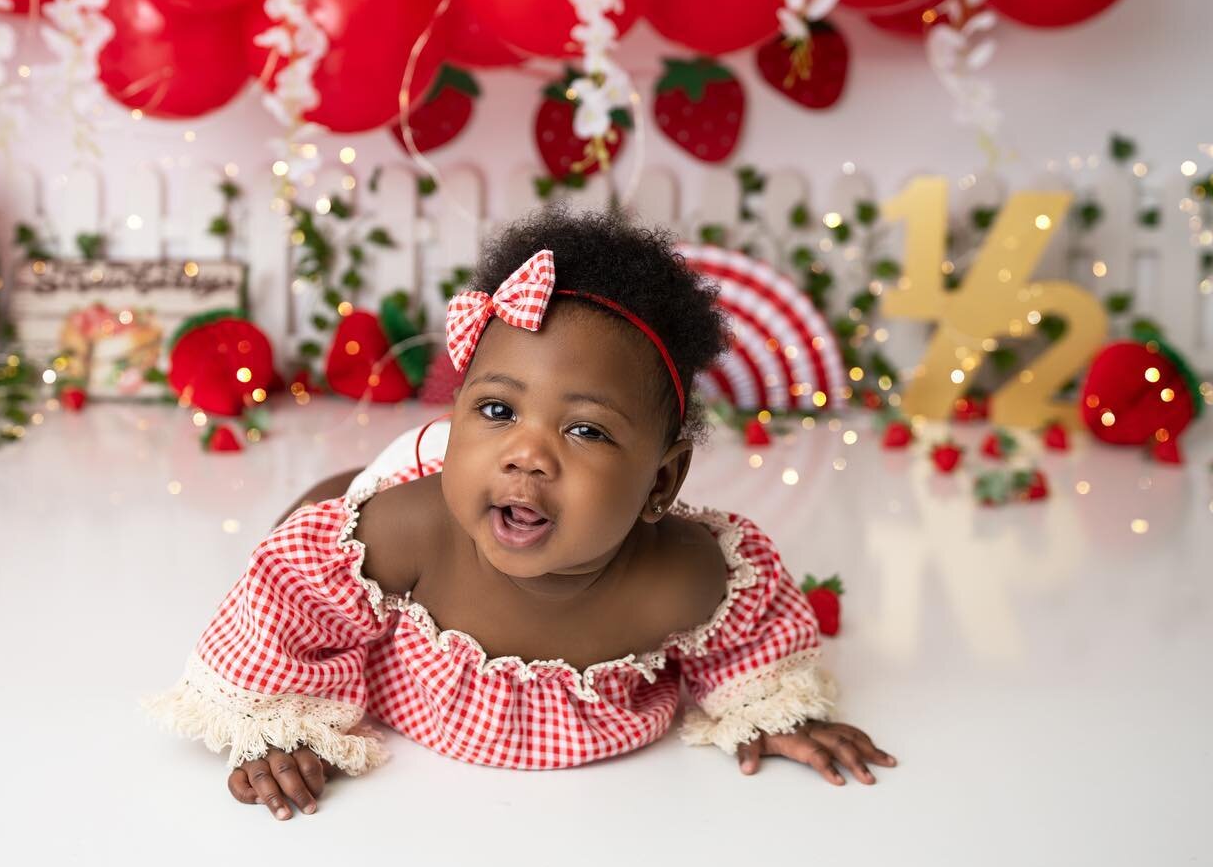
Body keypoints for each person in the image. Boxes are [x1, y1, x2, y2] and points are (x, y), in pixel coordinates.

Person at [142, 207, 894, 821]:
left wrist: (774, 711)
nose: (528, 454)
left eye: (586, 429)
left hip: (476, 482)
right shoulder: (412, 530)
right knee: (331, 509)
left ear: (662, 483)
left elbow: (750, 637)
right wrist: (275, 727)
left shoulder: (688, 574)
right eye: (497, 408)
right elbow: (288, 599)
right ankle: (414, 455)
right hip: (418, 475)